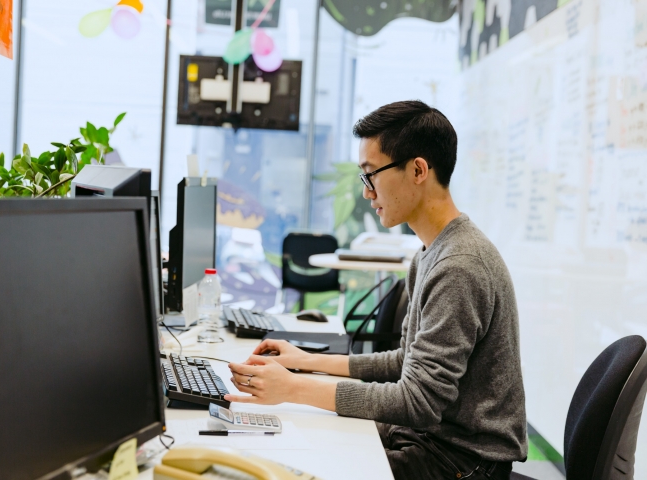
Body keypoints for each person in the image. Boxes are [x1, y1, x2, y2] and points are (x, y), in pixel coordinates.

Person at [225, 100, 527, 479]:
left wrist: (294, 388)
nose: (367, 193)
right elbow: (406, 363)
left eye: (371, 175)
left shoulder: (459, 265)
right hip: (429, 439)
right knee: (295, 441)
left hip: (462, 461)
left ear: (418, 169)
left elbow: (418, 402)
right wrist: (304, 360)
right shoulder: (429, 254)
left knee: (300, 464)